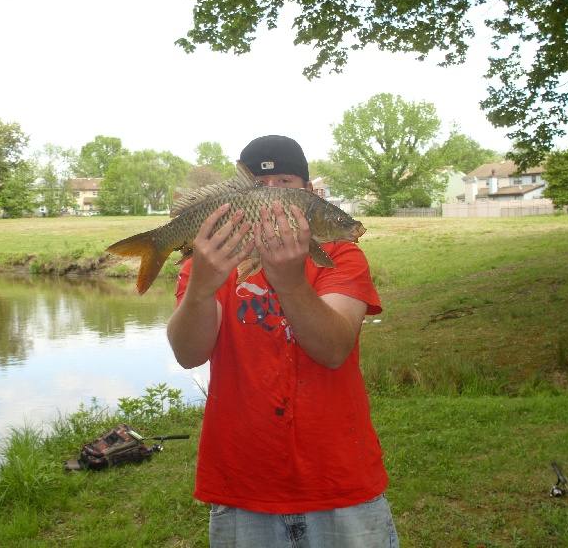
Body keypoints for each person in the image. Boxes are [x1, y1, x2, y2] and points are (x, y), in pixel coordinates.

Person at [167, 135, 398, 547]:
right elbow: (188, 354)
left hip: (341, 479)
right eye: (260, 184)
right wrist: (201, 288)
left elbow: (333, 350)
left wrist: (289, 283)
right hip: (242, 482)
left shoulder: (342, 256)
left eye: (287, 182)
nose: (273, 198)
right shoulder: (211, 262)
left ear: (308, 192)